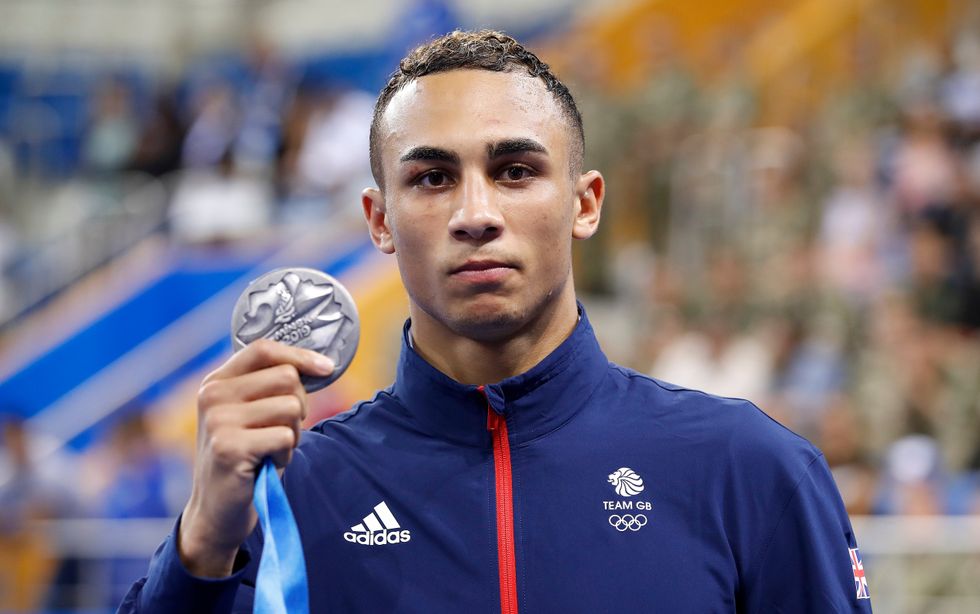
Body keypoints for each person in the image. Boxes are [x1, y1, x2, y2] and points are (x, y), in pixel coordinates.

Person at [120, 30, 873, 613]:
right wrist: (204, 542)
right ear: (380, 222)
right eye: (432, 178)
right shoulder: (293, 494)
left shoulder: (748, 469)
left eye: (515, 171)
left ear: (584, 203)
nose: (475, 215)